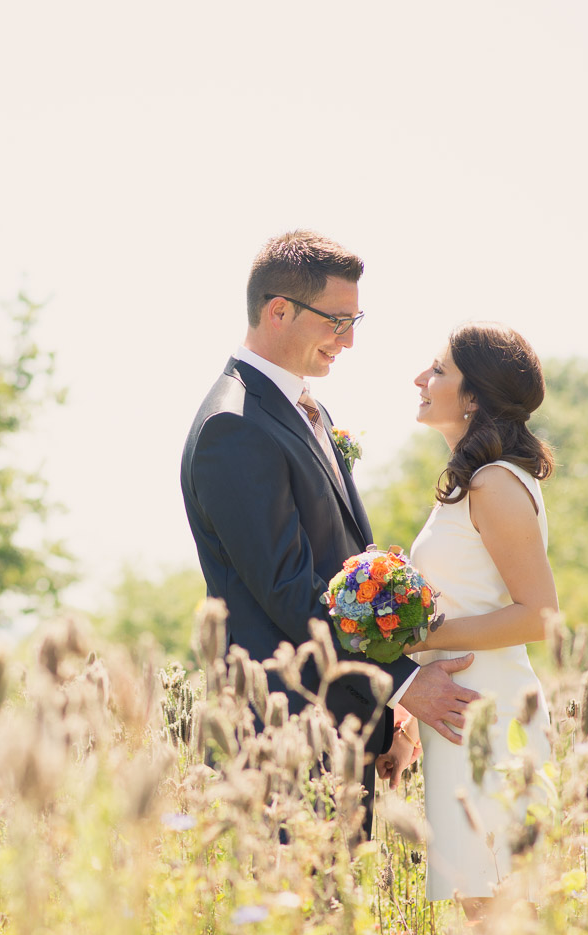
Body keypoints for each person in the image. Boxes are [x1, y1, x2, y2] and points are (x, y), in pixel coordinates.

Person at [179, 230, 480, 835]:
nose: (349, 340)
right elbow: (290, 590)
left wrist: (383, 717)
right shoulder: (233, 427)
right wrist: (403, 686)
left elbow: (343, 572)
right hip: (278, 736)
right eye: (337, 321)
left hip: (338, 727)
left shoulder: (302, 409)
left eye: (354, 320)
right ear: (278, 311)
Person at [406, 321, 557, 912]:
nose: (420, 379)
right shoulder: (474, 483)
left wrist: (424, 637)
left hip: (491, 721)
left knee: (500, 918)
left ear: (473, 396)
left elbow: (539, 615)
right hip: (458, 715)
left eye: (438, 370)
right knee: (483, 916)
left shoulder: (494, 484)